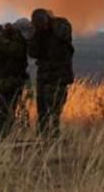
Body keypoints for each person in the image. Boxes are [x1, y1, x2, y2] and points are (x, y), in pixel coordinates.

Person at [28, 8, 74, 138]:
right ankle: (42, 137)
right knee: (42, 110)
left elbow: (64, 33)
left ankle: (53, 137)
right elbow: (32, 53)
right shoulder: (38, 34)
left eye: (41, 23)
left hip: (58, 76)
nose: (41, 26)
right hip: (44, 76)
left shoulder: (60, 25)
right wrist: (35, 34)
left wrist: (51, 23)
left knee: (54, 110)